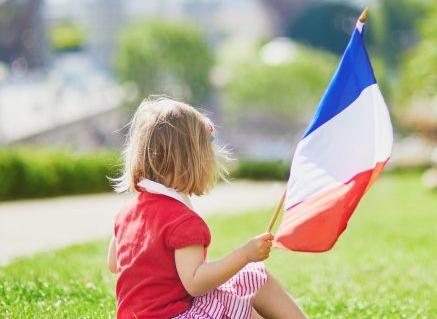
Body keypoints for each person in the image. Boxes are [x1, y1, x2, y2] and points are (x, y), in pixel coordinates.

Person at [107, 96, 307, 319]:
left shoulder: (126, 213)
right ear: (193, 160)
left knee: (238, 292)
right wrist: (245, 254)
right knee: (254, 278)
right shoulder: (182, 221)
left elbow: (114, 264)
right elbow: (195, 283)